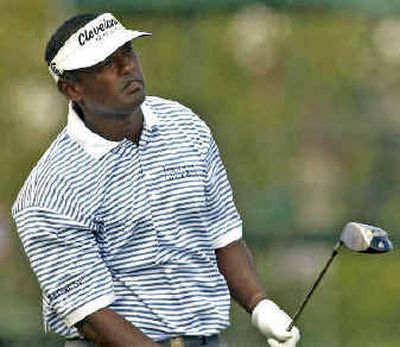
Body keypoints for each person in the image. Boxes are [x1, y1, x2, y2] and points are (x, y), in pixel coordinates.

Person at [12, 12, 301, 347]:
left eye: (128, 53)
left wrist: (259, 304)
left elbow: (223, 235)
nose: (127, 68)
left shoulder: (187, 127)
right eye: (106, 64)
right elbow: (90, 315)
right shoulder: (50, 190)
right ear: (72, 88)